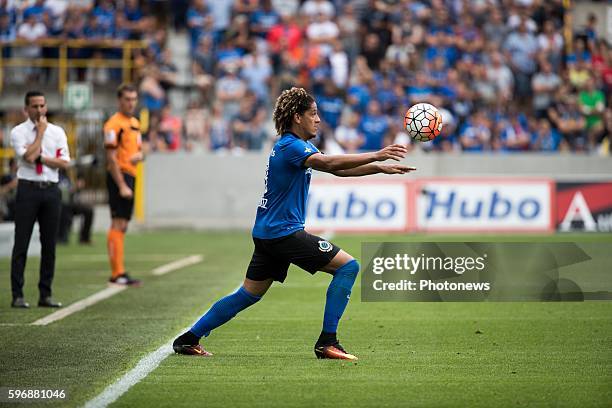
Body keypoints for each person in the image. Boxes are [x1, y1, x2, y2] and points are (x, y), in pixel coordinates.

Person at [173, 87, 414, 360]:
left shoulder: (299, 147)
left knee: (247, 295)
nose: (319, 119)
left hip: (268, 233)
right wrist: (377, 154)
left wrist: (379, 168)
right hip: (283, 233)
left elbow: (336, 169)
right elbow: (330, 162)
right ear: (297, 117)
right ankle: (328, 342)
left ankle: (188, 338)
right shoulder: (291, 146)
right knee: (349, 267)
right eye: (313, 114)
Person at [9, 90, 70, 308]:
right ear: (26, 109)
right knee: (21, 243)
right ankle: (17, 294)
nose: (39, 110)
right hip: (28, 189)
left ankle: (45, 294)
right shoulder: (18, 132)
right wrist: (41, 134)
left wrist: (42, 156)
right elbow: (27, 157)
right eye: (35, 106)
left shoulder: (58, 132)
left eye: (42, 105)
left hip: (51, 189)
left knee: (49, 244)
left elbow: (64, 163)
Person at [103, 83, 143, 286]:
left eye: (134, 99)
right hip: (120, 176)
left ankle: (119, 271)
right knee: (118, 223)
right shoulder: (113, 124)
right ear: (119, 100)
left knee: (123, 224)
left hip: (131, 174)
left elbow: (138, 150)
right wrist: (121, 185)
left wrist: (140, 155)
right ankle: (116, 273)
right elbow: (110, 157)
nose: (131, 103)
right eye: (127, 99)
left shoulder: (135, 123)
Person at [57, 170, 94, 244]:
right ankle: (61, 237)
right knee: (64, 209)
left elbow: (72, 192)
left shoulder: (72, 173)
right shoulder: (56, 174)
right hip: (59, 204)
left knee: (89, 211)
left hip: (70, 203)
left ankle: (84, 238)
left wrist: (77, 187)